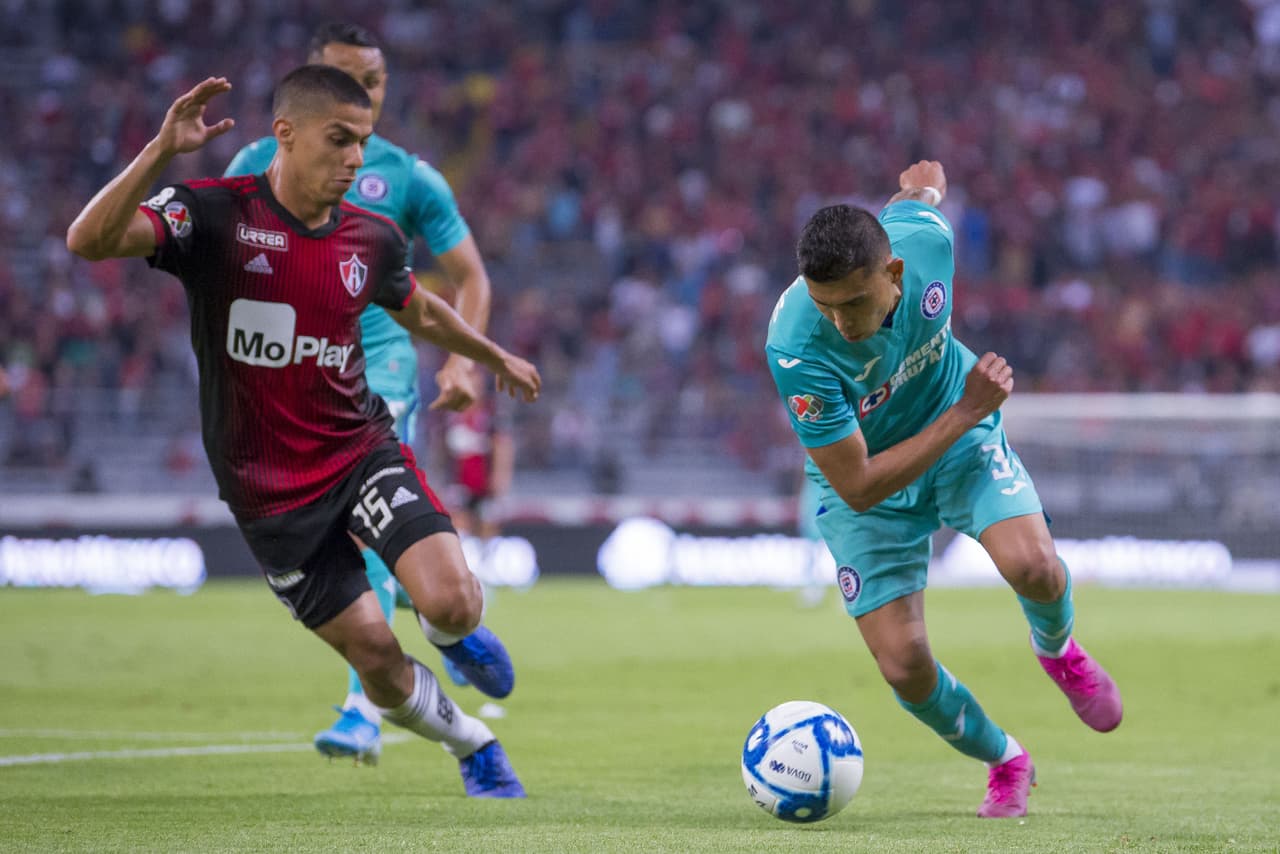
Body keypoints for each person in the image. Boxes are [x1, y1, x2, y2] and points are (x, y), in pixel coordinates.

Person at [66, 66, 541, 798]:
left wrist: (490, 353)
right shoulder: (214, 217)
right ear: (285, 135)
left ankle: (452, 637)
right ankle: (471, 742)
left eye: (364, 143)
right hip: (269, 497)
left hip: (359, 452)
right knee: (378, 659)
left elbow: (419, 310)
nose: (357, 158)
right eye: (341, 140)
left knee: (453, 600)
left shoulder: (371, 239)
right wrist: (162, 151)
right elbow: (89, 240)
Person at [765, 161, 1123, 819]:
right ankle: (1006, 760)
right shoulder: (795, 345)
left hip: (960, 444)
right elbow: (861, 485)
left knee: (1035, 567)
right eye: (826, 307)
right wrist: (966, 408)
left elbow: (922, 194)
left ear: (894, 274)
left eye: (853, 304)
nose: (841, 324)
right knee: (904, 665)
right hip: (870, 483)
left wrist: (926, 180)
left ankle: (1059, 652)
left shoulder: (924, 241)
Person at [224, 21, 498, 765]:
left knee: (359, 519)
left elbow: (470, 275)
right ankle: (447, 618)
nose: (365, 95)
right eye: (349, 81)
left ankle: (361, 711)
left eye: (374, 82)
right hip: (288, 378)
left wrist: (464, 364)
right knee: (382, 551)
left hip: (375, 366)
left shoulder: (407, 177)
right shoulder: (255, 165)